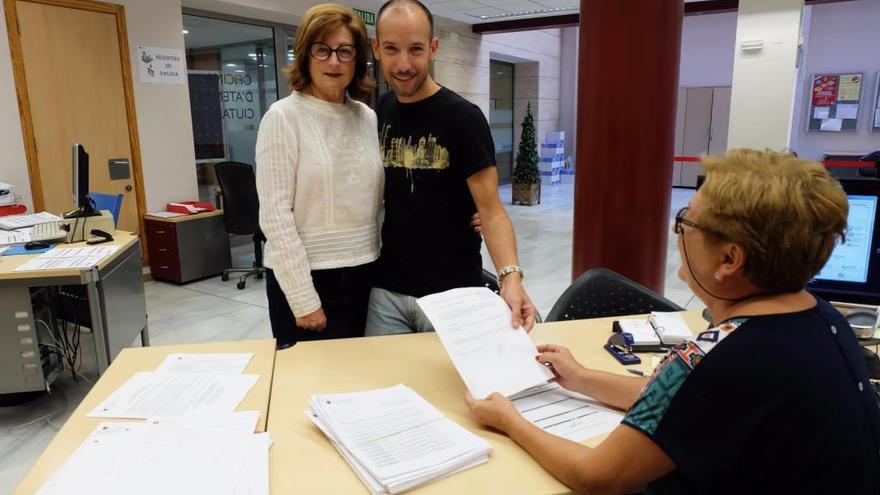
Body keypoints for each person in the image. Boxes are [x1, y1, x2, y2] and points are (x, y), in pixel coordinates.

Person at [464, 149, 880, 493]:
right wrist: (582, 377)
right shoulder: (822, 318)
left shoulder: (719, 358)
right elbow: (681, 401)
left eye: (687, 220)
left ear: (730, 259)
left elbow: (598, 477)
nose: (676, 229)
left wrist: (508, 420)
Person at [365, 0, 535, 336]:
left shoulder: (463, 118)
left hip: (452, 294)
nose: (403, 64)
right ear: (376, 49)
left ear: (433, 48)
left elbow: (492, 210)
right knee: (382, 385)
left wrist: (511, 277)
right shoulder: (377, 111)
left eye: (415, 49)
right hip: (386, 293)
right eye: (391, 49)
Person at [255, 4, 382, 348]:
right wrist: (302, 297)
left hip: (365, 272)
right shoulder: (283, 117)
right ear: (305, 54)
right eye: (322, 49)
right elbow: (275, 217)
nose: (334, 61)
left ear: (357, 60)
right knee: (308, 386)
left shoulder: (366, 117)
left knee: (358, 379)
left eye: (345, 51)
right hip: (306, 278)